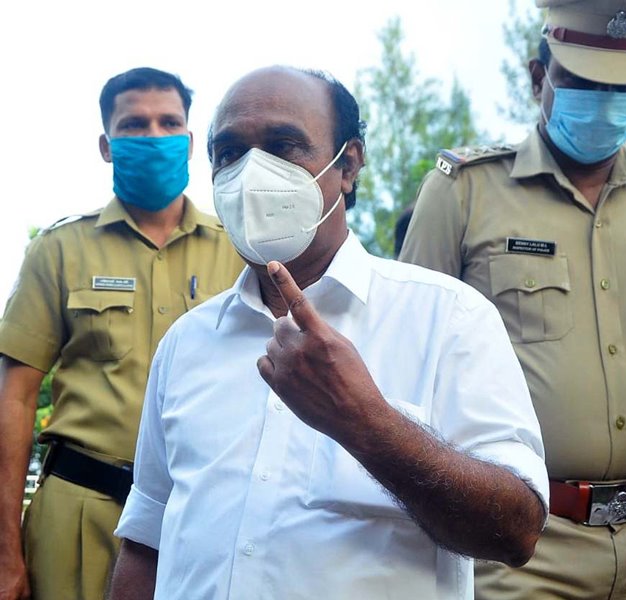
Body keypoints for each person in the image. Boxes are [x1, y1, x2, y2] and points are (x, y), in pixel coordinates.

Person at [107, 65, 548, 600]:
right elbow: (147, 542)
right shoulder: (187, 342)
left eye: (283, 146)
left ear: (348, 165)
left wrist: (364, 422)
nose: (252, 172)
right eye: (229, 153)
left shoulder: (448, 318)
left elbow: (516, 530)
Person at [399, 1, 626, 598]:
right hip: (521, 548)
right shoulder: (464, 193)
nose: (604, 103)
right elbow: (408, 366)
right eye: (584, 83)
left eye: (625, 89)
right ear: (537, 77)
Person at [0, 67, 244, 600]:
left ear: (189, 142)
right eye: (134, 125)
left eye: (169, 123)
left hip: (200, 515)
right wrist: (4, 550)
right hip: (80, 516)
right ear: (107, 146)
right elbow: (13, 400)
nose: (154, 136)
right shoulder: (59, 250)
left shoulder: (239, 251)